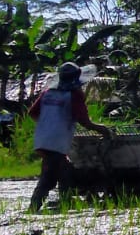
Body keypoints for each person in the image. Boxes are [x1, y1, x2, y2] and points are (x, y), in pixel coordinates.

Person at [28, 62, 113, 212]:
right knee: (53, 177)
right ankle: (43, 208)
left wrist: (48, 124)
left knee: (60, 172)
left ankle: (55, 206)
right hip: (57, 141)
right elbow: (84, 121)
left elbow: (32, 113)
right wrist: (103, 130)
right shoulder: (74, 95)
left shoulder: (47, 93)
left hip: (42, 139)